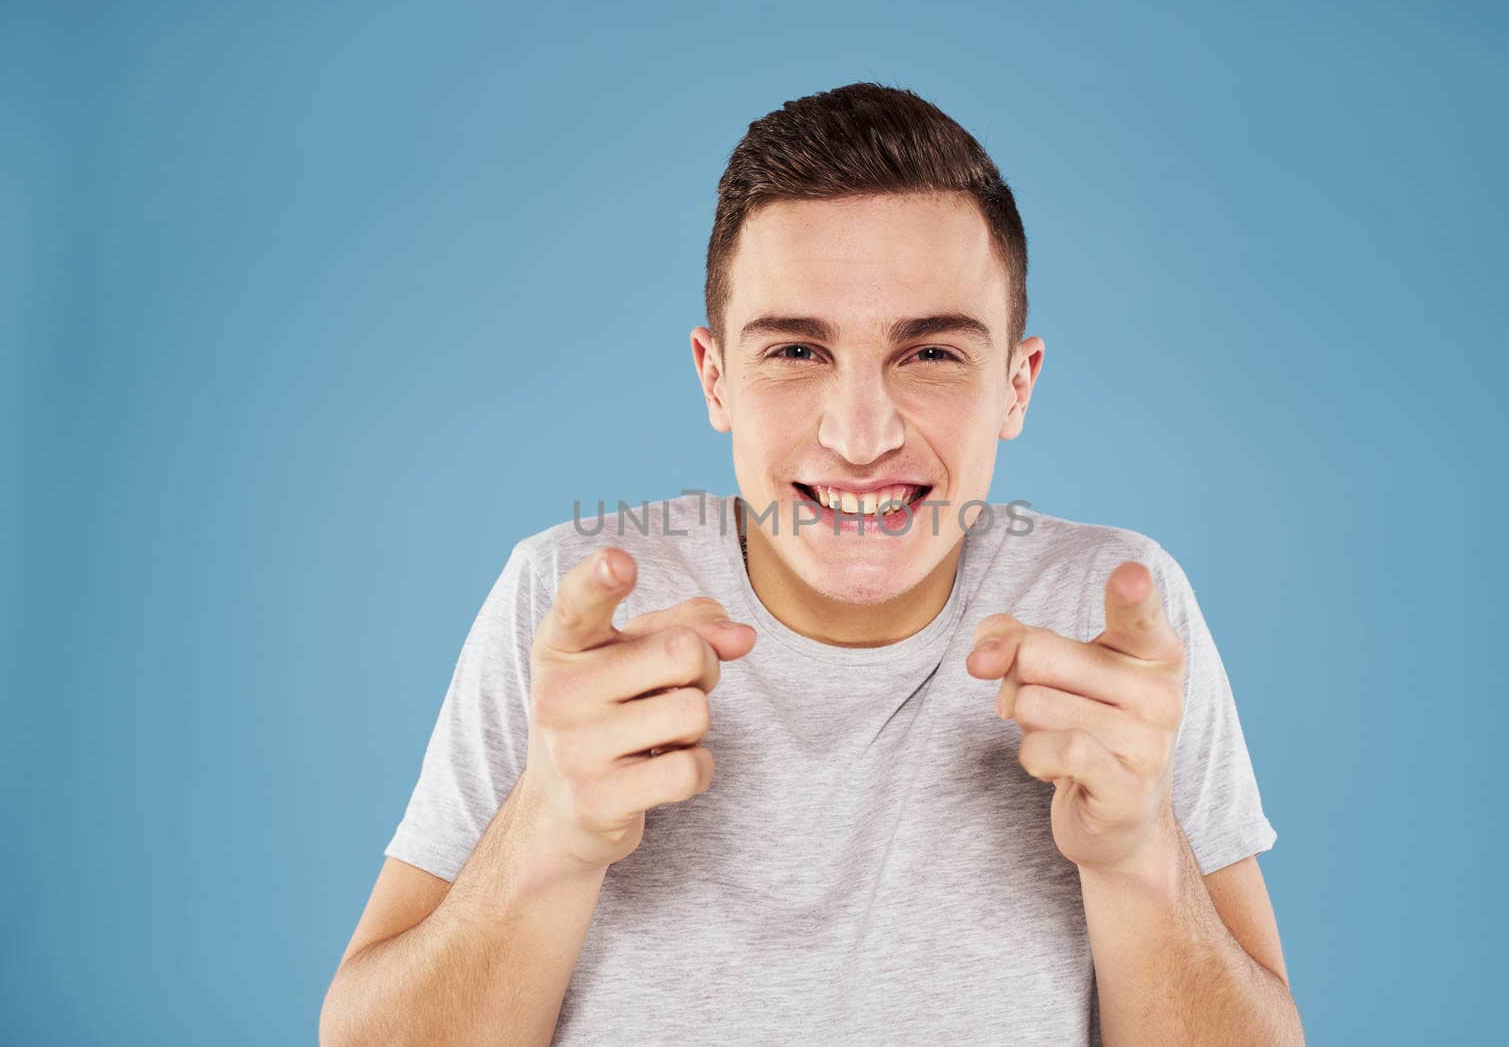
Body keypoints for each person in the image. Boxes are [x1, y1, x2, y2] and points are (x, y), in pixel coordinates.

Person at [319, 82, 1303, 1046]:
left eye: (930, 354)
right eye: (795, 350)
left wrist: (1137, 858)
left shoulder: (1115, 621)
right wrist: (548, 836)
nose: (861, 434)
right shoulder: (568, 607)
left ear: (1015, 382)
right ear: (715, 377)